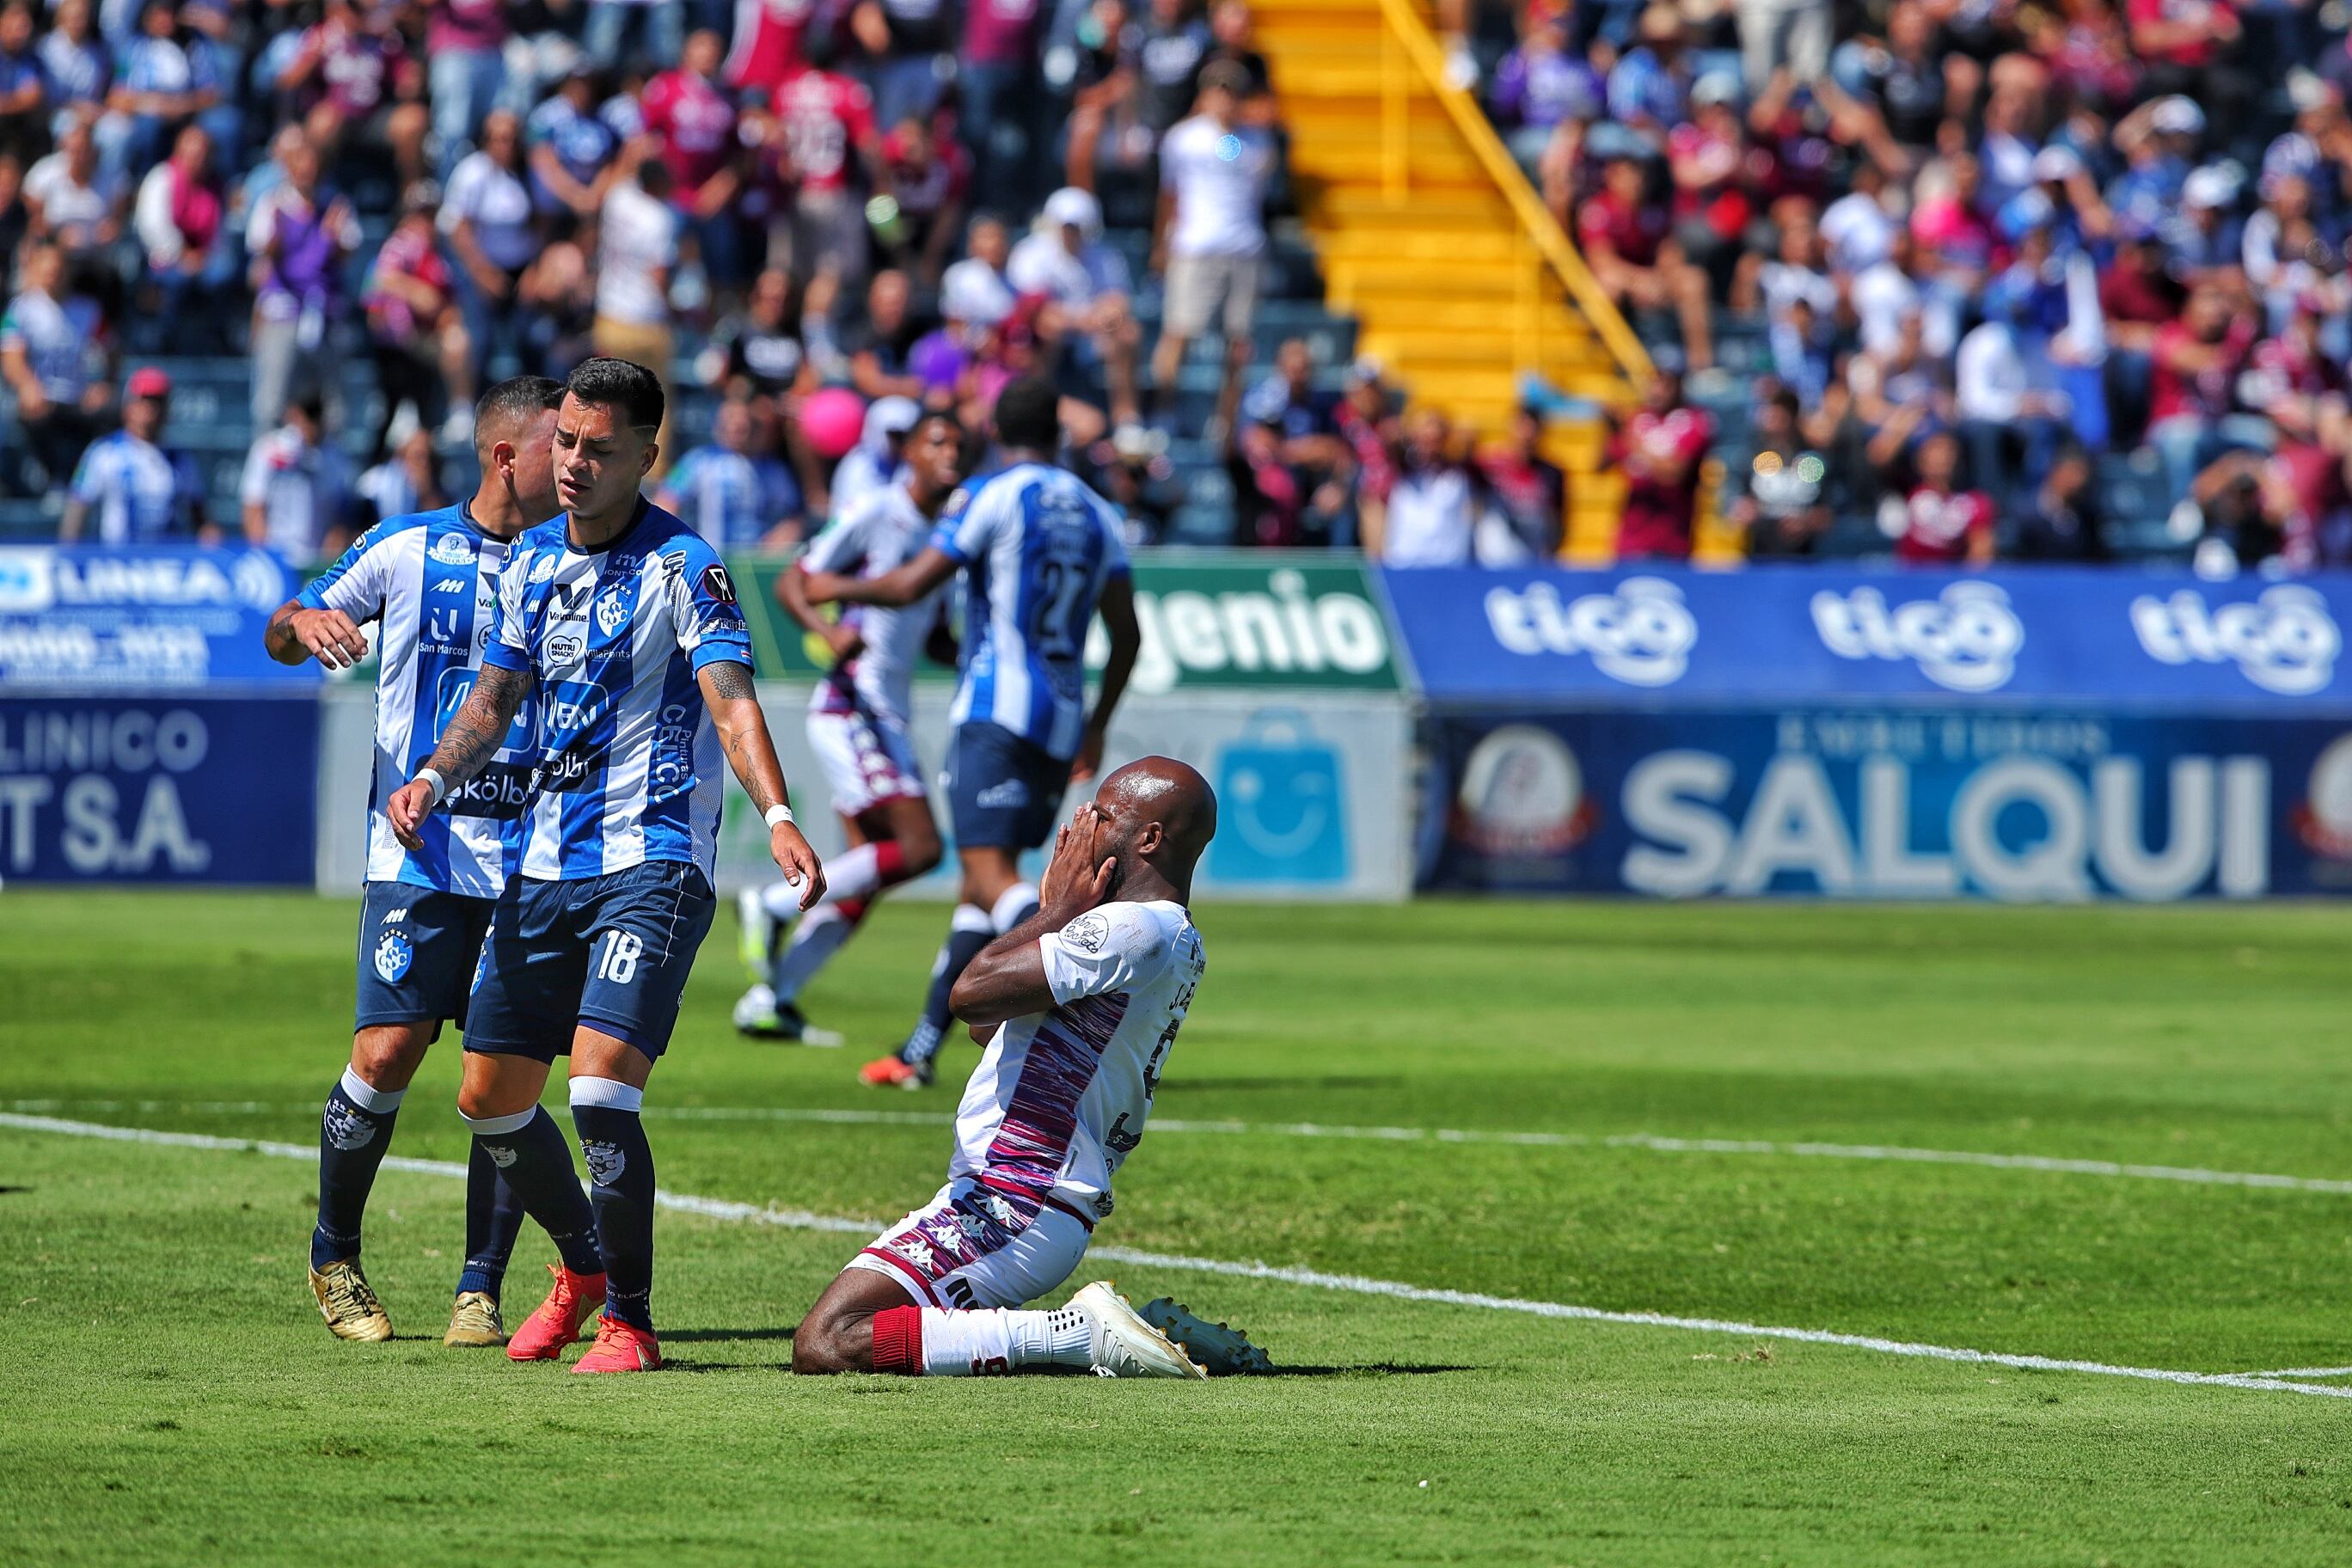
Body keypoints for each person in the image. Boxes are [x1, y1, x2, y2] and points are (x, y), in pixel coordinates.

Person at [386, 357, 825, 1375]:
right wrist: (435, 777)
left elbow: (731, 700)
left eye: (600, 449)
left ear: (647, 457)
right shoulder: (532, 561)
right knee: (489, 1099)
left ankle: (631, 1318)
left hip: (652, 858)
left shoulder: (686, 566)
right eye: (568, 443)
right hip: (542, 864)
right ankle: (583, 1267)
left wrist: (778, 813)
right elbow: (494, 699)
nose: (575, 464)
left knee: (599, 1094)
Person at [260, 377, 586, 1349]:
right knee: (386, 1053)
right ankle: (334, 1252)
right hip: (419, 853)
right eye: (561, 442)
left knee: (504, 1081)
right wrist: (300, 624)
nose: (577, 458)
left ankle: (479, 1287)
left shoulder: (580, 564)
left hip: (533, 861)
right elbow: (284, 627)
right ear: (507, 457)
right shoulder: (405, 547)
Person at [791, 757, 1238, 1381]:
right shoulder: (1172, 934)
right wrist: (1060, 914)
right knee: (876, 1332)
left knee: (828, 1341)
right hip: (1028, 1196)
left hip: (1015, 1197)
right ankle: (1140, 1331)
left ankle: (1083, 1335)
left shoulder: (1130, 927)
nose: (1082, 825)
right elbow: (987, 1026)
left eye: (1102, 814)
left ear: (1150, 838)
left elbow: (969, 994)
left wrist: (1055, 910)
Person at [801, 374, 1142, 1090]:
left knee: (993, 877)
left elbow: (909, 585)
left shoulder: (994, 495)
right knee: (975, 888)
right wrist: (1098, 724)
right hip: (1061, 718)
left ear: (995, 431)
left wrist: (834, 588)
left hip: (995, 712)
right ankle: (921, 1049)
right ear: (1058, 433)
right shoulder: (1099, 511)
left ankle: (1082, 976)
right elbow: (1128, 635)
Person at [734, 409, 966, 1043]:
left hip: (886, 709)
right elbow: (794, 582)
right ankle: (771, 904)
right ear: (909, 454)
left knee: (862, 881)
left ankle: (771, 1000)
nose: (950, 454)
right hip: (854, 705)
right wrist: (828, 631)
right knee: (921, 849)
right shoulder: (877, 511)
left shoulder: (949, 537)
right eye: (936, 442)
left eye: (959, 445)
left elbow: (934, 636)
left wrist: (978, 654)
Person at [1148, 60, 1273, 435]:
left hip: (1244, 248)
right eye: (1218, 91)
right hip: (1196, 246)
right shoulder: (1183, 139)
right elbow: (1169, 195)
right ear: (1204, 95)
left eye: (1232, 92)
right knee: (1179, 330)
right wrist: (1161, 244)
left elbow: (1255, 190)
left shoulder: (1257, 143)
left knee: (1239, 342)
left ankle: (1226, 421)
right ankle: (1163, 411)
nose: (1225, 99)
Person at [60, 366, 202, 543]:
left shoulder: (178, 459)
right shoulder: (104, 452)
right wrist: (71, 551)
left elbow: (200, 516)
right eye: (144, 401)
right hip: (118, 557)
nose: (151, 409)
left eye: (158, 402)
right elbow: (78, 507)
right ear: (128, 406)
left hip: (167, 557)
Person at [652, 395, 802, 548]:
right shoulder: (697, 460)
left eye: (743, 420)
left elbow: (792, 517)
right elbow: (666, 500)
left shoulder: (772, 469)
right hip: (708, 554)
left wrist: (777, 542)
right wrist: (680, 543)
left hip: (752, 558)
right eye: (730, 419)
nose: (737, 425)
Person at [241, 393, 352, 560]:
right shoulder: (269, 449)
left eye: (316, 417)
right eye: (308, 416)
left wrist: (328, 560)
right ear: (294, 414)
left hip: (317, 560)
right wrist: (265, 556)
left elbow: (341, 517)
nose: (312, 425)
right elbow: (253, 507)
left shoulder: (336, 456)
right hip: (276, 555)